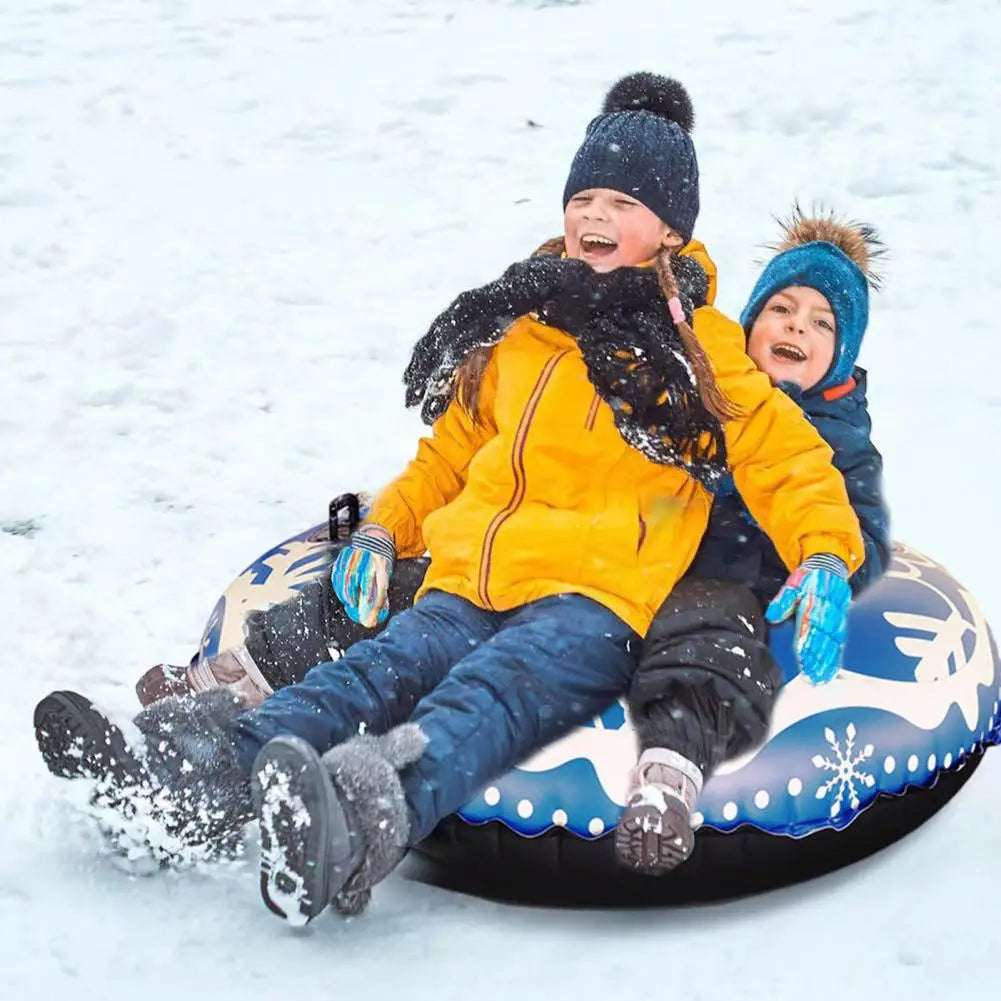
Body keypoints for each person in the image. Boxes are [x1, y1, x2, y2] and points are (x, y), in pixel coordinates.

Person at [34, 73, 864, 926]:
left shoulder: (702, 346)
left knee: (486, 698)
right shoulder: (526, 331)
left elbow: (784, 455)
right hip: (470, 578)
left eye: (621, 200)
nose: (594, 216)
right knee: (366, 670)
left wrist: (826, 551)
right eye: (582, 196)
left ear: (671, 229)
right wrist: (384, 533)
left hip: (592, 600)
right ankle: (190, 782)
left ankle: (358, 821)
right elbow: (451, 451)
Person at [616, 208, 891, 874]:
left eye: (821, 322)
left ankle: (669, 774)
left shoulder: (841, 437)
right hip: (640, 556)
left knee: (714, 645)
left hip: (736, 581)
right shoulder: (705, 384)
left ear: (841, 354)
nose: (797, 324)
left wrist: (821, 566)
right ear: (748, 324)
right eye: (781, 307)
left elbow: (863, 532)